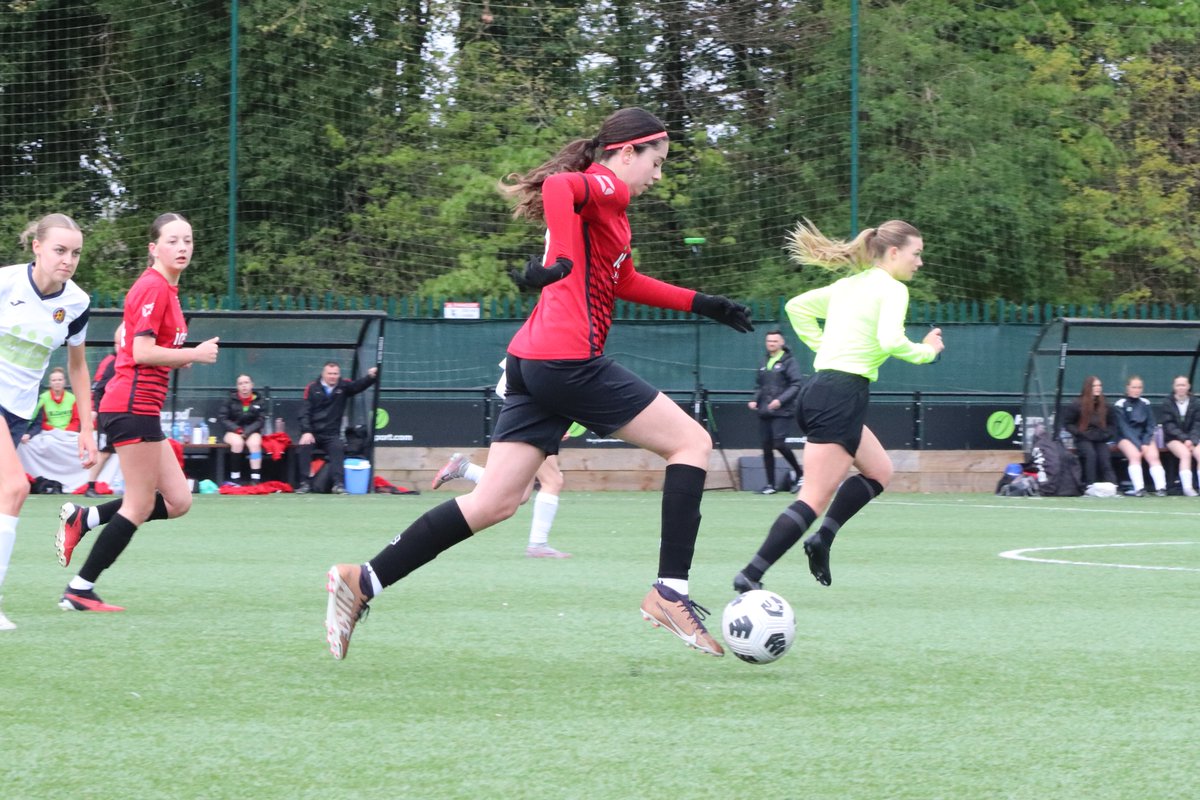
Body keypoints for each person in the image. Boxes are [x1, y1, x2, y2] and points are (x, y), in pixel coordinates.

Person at [324, 107, 753, 660]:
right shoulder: (605, 185)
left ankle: (362, 580)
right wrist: (563, 260)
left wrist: (706, 304)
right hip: (567, 361)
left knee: (495, 501)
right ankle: (671, 591)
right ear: (627, 153)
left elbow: (623, 280)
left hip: (533, 361)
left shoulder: (613, 211)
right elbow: (557, 186)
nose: (658, 175)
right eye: (657, 162)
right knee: (691, 442)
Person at [731, 218, 943, 592]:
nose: (920, 262)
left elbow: (797, 307)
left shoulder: (850, 284)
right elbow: (891, 341)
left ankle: (822, 538)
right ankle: (751, 575)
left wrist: (824, 347)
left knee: (879, 472)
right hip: (840, 394)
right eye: (917, 253)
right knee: (812, 498)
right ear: (894, 252)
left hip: (824, 388)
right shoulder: (892, 290)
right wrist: (928, 351)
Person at [55, 212, 220, 612]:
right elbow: (141, 352)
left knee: (179, 500)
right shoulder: (153, 287)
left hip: (141, 406)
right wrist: (192, 354)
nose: (182, 247)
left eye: (188, 240)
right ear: (153, 248)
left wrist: (178, 359)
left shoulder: (167, 290)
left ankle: (87, 519)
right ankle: (79, 589)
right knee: (139, 504)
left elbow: (141, 348)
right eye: (173, 241)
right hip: (131, 405)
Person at [0, 213, 97, 630]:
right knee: (15, 488)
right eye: (59, 250)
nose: (68, 259)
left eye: (74, 252)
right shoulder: (5, 283)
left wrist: (88, 428)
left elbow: (78, 367)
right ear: (36, 247)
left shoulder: (76, 303)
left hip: (19, 412)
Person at [295, 361, 378, 494]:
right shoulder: (312, 388)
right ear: (323, 374)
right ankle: (304, 483)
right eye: (330, 374)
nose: (333, 376)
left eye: (335, 374)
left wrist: (371, 376)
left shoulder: (343, 386)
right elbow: (304, 412)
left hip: (331, 434)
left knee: (338, 447)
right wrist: (307, 431)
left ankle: (338, 484)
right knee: (304, 447)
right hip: (313, 433)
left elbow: (358, 385)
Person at [747, 329, 805, 494]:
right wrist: (754, 399)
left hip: (783, 411)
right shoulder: (764, 361)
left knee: (779, 443)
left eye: (774, 341)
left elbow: (796, 384)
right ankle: (771, 485)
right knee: (766, 446)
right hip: (764, 411)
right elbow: (759, 385)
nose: (771, 344)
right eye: (769, 341)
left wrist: (780, 401)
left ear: (781, 343)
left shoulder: (789, 361)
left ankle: (800, 473)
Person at [84, 324, 123, 497]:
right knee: (105, 452)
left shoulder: (128, 361)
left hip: (122, 413)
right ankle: (90, 487)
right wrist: (95, 409)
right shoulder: (111, 363)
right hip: (107, 414)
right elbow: (98, 388)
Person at [1112, 375, 1166, 497]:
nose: (1136, 390)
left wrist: (1146, 442)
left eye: (1139, 387)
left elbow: (1151, 425)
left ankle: (1161, 488)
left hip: (1143, 438)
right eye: (1134, 387)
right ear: (1127, 388)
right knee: (1135, 455)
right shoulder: (1120, 404)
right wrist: (1138, 445)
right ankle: (1139, 488)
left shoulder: (1145, 403)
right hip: (1125, 438)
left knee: (1153, 456)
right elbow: (1124, 428)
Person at [1062, 375, 1118, 488]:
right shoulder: (1077, 404)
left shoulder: (1105, 405)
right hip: (1083, 438)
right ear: (1088, 387)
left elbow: (1112, 423)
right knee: (1090, 454)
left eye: (1099, 385)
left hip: (1100, 438)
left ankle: (1112, 486)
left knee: (1104, 456)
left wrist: (1107, 434)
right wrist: (1078, 433)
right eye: (1095, 386)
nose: (1098, 388)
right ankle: (1089, 485)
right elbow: (1068, 423)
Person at [217, 373, 266, 485]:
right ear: (237, 387)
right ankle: (235, 478)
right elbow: (223, 418)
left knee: (254, 444)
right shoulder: (229, 400)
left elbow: (261, 420)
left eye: (246, 383)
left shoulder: (259, 400)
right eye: (240, 384)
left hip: (252, 431)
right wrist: (237, 430)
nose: (244, 386)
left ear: (252, 385)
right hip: (233, 432)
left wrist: (247, 432)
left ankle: (255, 478)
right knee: (237, 443)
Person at [1160, 375, 1200, 497]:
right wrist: (1184, 438)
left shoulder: (1196, 402)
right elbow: (1169, 426)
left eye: (1183, 385)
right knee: (1185, 454)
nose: (1181, 388)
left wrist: (1192, 440)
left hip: (1193, 438)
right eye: (1178, 385)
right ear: (1174, 386)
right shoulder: (1167, 402)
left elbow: (1197, 423)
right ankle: (1187, 488)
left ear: (1188, 386)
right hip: (1173, 439)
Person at [22, 367, 81, 440]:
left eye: (60, 380)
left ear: (64, 381)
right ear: (50, 382)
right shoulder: (43, 398)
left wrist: (64, 431)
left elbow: (76, 421)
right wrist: (55, 432)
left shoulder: (72, 398)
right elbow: (41, 422)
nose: (57, 382)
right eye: (54, 380)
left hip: (69, 433)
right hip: (49, 434)